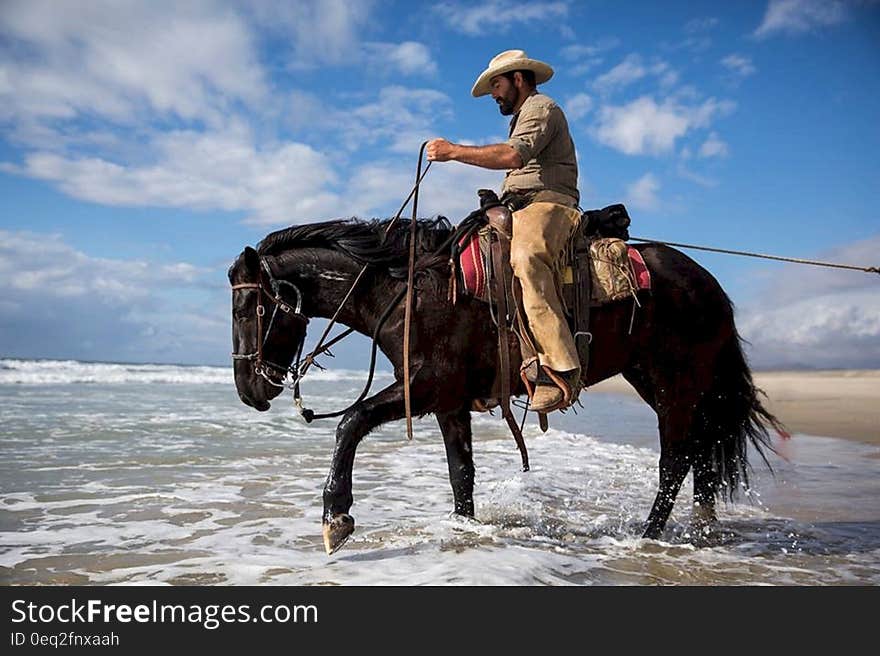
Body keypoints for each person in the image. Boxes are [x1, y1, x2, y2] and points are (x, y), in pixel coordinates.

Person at [427, 49, 582, 413]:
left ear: (518, 79)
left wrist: (452, 152)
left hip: (549, 203)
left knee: (527, 259)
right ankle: (495, 368)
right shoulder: (521, 116)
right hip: (517, 205)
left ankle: (561, 368)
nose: (494, 94)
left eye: (496, 84)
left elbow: (514, 157)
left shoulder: (543, 109)